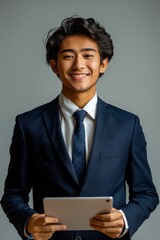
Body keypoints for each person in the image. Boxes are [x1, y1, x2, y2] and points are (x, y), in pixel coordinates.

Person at [1, 16, 159, 240]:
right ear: (55, 65)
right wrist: (29, 221)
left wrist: (124, 219)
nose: (78, 65)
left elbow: (146, 193)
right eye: (68, 56)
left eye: (88, 55)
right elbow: (13, 195)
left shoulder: (128, 124)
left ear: (103, 63)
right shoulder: (29, 125)